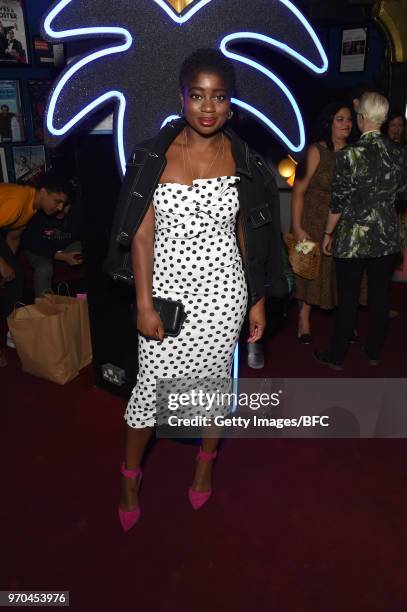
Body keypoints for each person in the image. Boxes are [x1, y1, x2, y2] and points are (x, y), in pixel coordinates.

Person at [105, 48, 286, 531]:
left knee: (213, 392)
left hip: (224, 297)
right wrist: (143, 303)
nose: (209, 107)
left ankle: (205, 463)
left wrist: (257, 299)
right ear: (181, 98)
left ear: (231, 104)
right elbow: (141, 234)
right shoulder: (153, 156)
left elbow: (250, 234)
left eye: (219, 97)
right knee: (148, 394)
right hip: (166, 299)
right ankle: (130, 475)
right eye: (198, 95)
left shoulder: (243, 159)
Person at [314, 92, 407, 370]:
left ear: (361, 118)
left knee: (348, 299)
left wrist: (328, 234)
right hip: (386, 237)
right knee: (380, 297)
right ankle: (374, 351)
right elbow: (402, 194)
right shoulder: (399, 153)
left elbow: (338, 202)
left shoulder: (349, 155)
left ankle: (337, 355)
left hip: (353, 239)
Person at [290, 102, 353, 343]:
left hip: (341, 222)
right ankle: (303, 318)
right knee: (308, 271)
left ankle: (345, 320)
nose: (346, 124)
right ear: (329, 122)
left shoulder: (352, 153)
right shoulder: (317, 151)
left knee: (338, 272)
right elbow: (298, 191)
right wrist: (297, 227)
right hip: (312, 220)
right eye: (340, 119)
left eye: (348, 119)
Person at [0, 173, 72, 366]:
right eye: (56, 201)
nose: (59, 208)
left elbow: (13, 238)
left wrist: (8, 269)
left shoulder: (31, 210)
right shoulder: (17, 202)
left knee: (14, 280)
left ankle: (12, 330)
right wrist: (2, 264)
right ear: (42, 192)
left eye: (63, 204)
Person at [23, 197, 82, 297]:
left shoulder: (76, 211)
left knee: (87, 252)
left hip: (65, 245)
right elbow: (36, 245)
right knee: (44, 269)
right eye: (58, 203)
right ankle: (45, 307)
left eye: (65, 205)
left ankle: (84, 300)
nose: (60, 208)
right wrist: (64, 257)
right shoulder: (37, 212)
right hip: (39, 250)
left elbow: (84, 236)